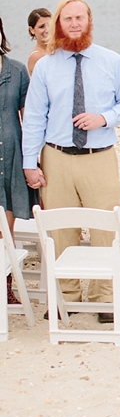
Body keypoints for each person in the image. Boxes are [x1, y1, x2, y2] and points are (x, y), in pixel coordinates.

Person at [22, 0, 120, 317]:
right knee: (60, 230)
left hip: (98, 156)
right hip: (56, 158)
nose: (74, 24)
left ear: (89, 21)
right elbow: (33, 117)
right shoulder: (46, 66)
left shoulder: (111, 61)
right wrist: (30, 163)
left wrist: (103, 118)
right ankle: (66, 297)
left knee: (105, 228)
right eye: (68, 19)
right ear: (59, 23)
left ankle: (104, 299)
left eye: (80, 18)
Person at [0, 19, 32, 304]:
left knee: (5, 229)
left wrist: (32, 160)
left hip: (10, 158)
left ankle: (5, 285)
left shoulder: (17, 70)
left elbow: (29, 119)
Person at [27, 8, 51, 75]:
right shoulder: (36, 56)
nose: (47, 30)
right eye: (41, 27)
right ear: (32, 30)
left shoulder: (57, 50)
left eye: (50, 25)